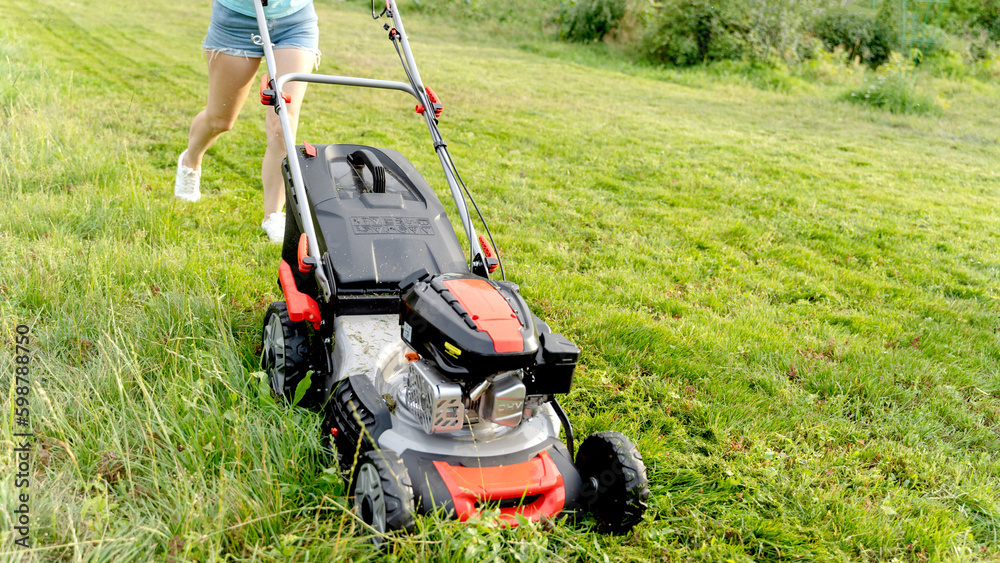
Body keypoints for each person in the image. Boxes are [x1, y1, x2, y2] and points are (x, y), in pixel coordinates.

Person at [174, 0, 321, 242]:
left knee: (282, 121)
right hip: (237, 18)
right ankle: (190, 160)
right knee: (220, 120)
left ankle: (273, 214)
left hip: (294, 18)